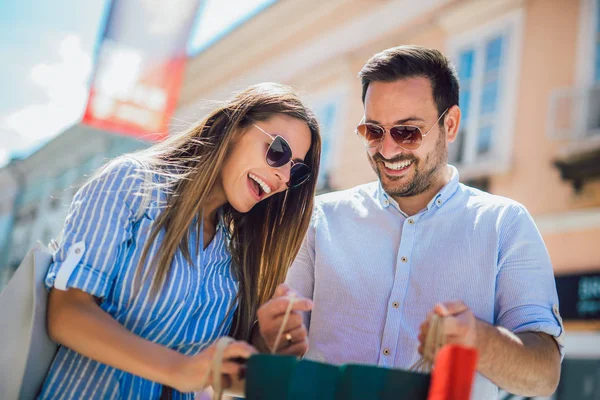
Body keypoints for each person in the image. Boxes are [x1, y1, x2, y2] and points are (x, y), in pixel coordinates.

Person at [257, 46, 564, 399]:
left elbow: (545, 375)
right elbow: (271, 345)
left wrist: (478, 340)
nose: (387, 151)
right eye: (373, 131)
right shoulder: (317, 219)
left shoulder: (505, 225)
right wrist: (270, 338)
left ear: (449, 125)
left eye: (407, 132)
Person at [39, 82, 321, 399]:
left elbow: (217, 377)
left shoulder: (233, 256)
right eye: (278, 152)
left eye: (297, 173)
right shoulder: (131, 184)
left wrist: (266, 346)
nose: (284, 178)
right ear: (233, 128)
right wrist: (178, 369)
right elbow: (66, 314)